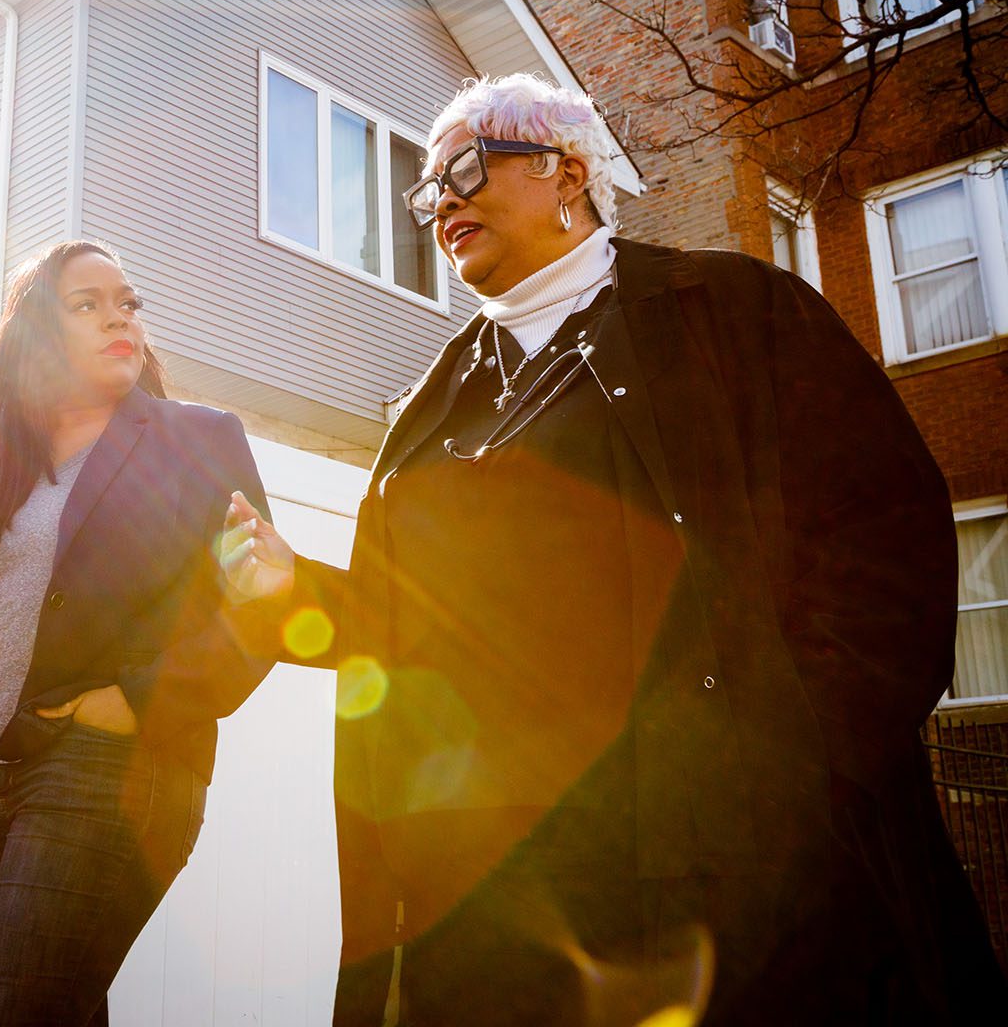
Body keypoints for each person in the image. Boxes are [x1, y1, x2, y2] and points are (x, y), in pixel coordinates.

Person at [220, 73, 1005, 1024]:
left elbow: (883, 528)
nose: (444, 202)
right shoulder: (432, 407)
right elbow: (419, 635)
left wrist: (797, 757)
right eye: (431, 191)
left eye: (467, 167)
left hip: (712, 859)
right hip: (501, 892)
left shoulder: (731, 312)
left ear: (564, 172)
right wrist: (290, 587)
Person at [0, 240, 273, 1026]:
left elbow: (262, 604)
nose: (118, 319)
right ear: (33, 331)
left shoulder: (196, 439)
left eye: (127, 303)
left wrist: (131, 701)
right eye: (88, 305)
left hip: (113, 769)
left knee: (11, 1013)